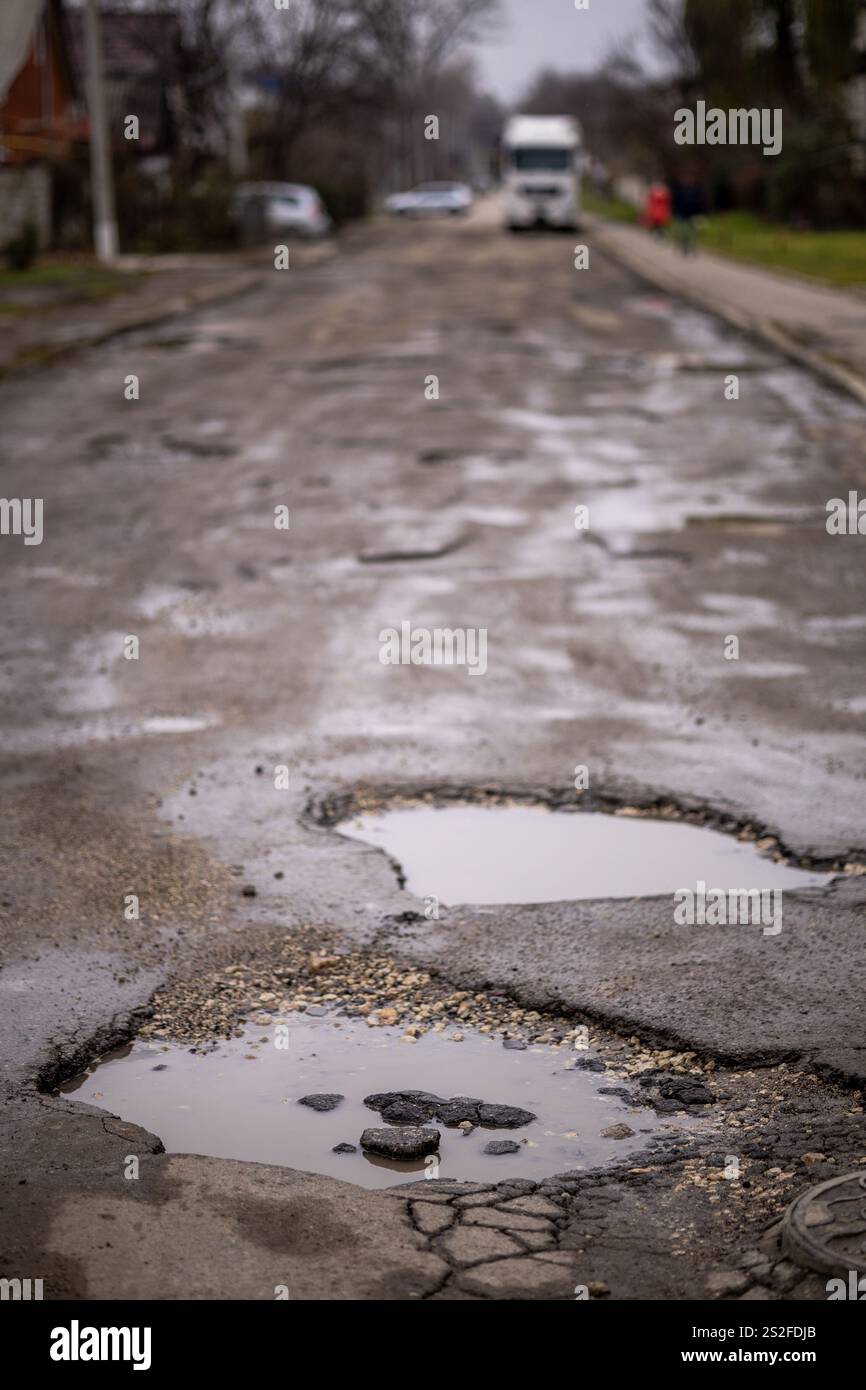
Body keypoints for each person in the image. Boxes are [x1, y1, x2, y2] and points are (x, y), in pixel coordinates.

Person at [669, 170, 706, 256]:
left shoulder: (696, 190)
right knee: (683, 231)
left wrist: (701, 214)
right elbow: (675, 202)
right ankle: (684, 246)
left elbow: (701, 203)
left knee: (693, 233)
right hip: (682, 214)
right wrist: (674, 212)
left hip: (693, 214)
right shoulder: (679, 190)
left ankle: (692, 247)